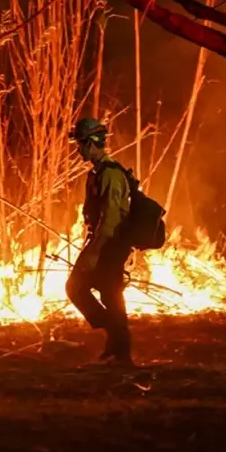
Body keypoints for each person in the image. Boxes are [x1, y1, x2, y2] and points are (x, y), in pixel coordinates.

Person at [65, 117, 134, 366]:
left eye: (81, 144)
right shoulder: (97, 173)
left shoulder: (111, 175)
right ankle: (116, 341)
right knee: (94, 292)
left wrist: (95, 251)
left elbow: (111, 218)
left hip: (111, 244)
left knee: (104, 294)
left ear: (92, 143)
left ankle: (121, 350)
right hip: (102, 241)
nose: (78, 149)